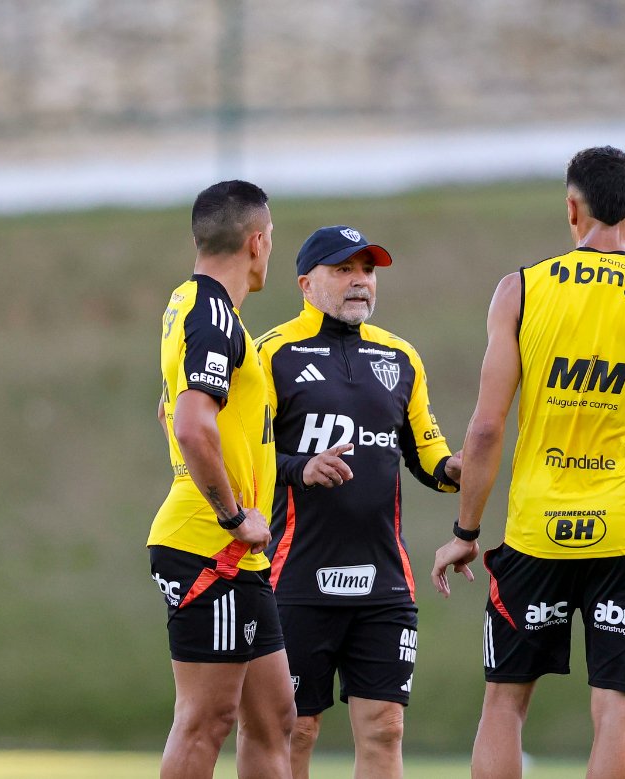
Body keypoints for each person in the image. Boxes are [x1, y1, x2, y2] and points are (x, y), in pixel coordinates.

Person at [431, 146, 625, 779]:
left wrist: (465, 532)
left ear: (572, 207)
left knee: (505, 704)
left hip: (537, 531)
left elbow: (484, 430)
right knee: (617, 711)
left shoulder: (520, 290)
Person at [254, 225, 463, 779]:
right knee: (295, 729)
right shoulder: (270, 354)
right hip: (296, 575)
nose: (360, 282)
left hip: (384, 579)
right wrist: (301, 467)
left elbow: (426, 453)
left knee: (386, 726)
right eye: (343, 270)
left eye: (367, 271)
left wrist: (457, 469)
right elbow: (240, 462)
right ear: (305, 282)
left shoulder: (401, 356)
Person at [146, 180, 295, 779]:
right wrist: (234, 514)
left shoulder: (189, 304)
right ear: (258, 243)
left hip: (237, 552)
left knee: (274, 713)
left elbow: (167, 410)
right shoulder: (213, 312)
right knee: (206, 719)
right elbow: (189, 424)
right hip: (213, 545)